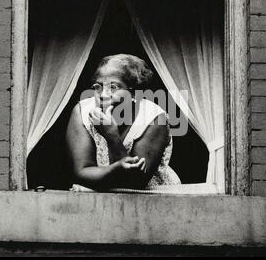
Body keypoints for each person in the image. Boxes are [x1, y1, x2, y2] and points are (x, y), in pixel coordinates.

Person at [66, 54, 181, 191]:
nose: (103, 95)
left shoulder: (154, 118)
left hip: (151, 198)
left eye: (113, 87)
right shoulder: (82, 111)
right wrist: (117, 168)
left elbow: (135, 183)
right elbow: (81, 172)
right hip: (100, 193)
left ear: (133, 93)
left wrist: (112, 136)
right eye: (98, 87)